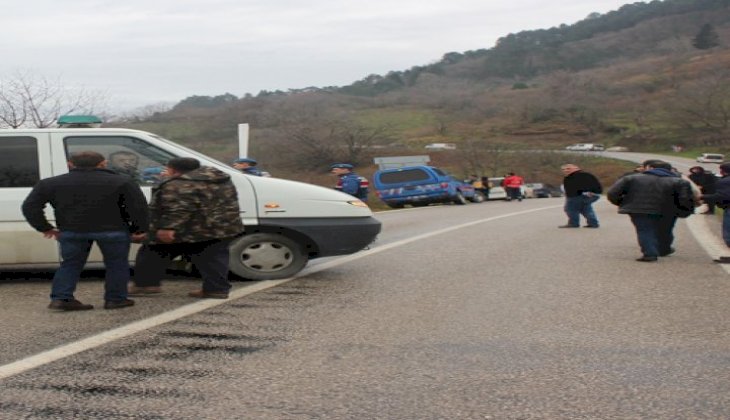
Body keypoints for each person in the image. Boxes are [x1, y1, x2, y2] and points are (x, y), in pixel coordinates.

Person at [21, 151, 148, 310]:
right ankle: (115, 299)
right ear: (103, 164)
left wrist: (45, 227)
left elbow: (29, 207)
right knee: (117, 265)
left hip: (71, 230)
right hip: (113, 230)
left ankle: (62, 298)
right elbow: (138, 208)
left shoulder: (49, 183)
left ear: (70, 164)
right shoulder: (122, 181)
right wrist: (139, 229)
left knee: (70, 265)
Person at [130, 157, 245, 298]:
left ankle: (146, 285)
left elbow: (178, 209)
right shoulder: (220, 179)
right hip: (220, 227)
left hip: (190, 230)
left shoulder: (178, 184)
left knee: (151, 253)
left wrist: (168, 228)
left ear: (173, 169)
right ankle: (216, 289)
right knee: (214, 259)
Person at [606, 160, 694, 262]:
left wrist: (623, 203)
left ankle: (650, 253)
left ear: (650, 168)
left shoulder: (631, 178)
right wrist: (684, 210)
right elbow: (685, 199)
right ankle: (663, 249)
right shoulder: (680, 181)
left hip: (639, 210)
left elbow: (613, 193)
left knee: (645, 230)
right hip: (668, 210)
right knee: (665, 230)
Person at [699, 162, 730, 263]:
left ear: (722, 170)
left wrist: (702, 197)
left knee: (728, 235)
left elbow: (723, 196)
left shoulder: (725, 181)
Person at [559, 163, 603, 228]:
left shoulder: (574, 176)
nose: (566, 170)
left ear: (576, 168)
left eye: (568, 168)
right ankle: (593, 223)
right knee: (585, 209)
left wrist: (585, 192)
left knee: (570, 209)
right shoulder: (586, 174)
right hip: (592, 195)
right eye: (564, 169)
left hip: (580, 195)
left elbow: (573, 188)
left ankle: (573, 223)